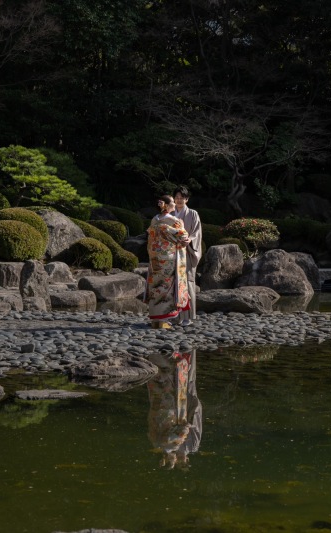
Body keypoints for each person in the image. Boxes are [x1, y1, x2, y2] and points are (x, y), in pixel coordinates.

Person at [147, 350, 202, 470]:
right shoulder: (154, 442)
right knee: (159, 384)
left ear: (169, 459)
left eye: (174, 461)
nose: (176, 460)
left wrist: (188, 425)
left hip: (170, 410)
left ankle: (169, 355)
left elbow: (183, 430)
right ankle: (155, 355)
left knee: (171, 382)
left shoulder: (173, 445)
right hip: (157, 408)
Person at [145, 195, 191, 329]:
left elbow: (150, 238)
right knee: (167, 288)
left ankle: (155, 320)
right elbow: (183, 236)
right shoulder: (173, 220)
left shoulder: (155, 219)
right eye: (172, 202)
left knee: (155, 287)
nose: (175, 204)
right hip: (168, 258)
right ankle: (163, 319)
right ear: (167, 205)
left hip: (155, 258)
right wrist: (183, 228)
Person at [172, 186, 202, 325]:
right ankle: (174, 315)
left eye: (181, 198)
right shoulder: (171, 213)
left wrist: (189, 240)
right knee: (173, 283)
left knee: (187, 282)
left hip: (187, 252)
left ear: (186, 199)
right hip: (172, 253)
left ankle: (187, 317)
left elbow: (197, 232)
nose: (179, 200)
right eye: (176, 197)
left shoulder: (193, 214)